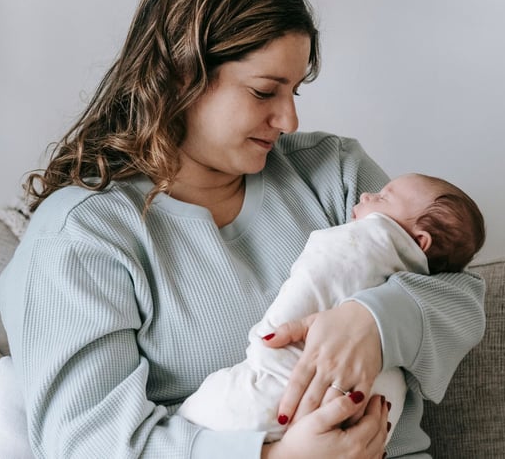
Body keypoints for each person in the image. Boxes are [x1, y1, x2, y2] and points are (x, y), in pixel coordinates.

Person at [0, 0, 486, 458]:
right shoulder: (84, 234)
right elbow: (89, 441)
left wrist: (373, 323)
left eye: (295, 90)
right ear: (179, 78)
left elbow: (461, 296)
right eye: (265, 92)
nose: (288, 118)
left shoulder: (333, 173)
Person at [177, 173, 486, 444]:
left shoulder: (345, 183)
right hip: (287, 435)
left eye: (381, 197)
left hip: (354, 433)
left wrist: (371, 319)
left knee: (207, 407)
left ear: (420, 242)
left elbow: (467, 298)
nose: (366, 195)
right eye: (263, 100)